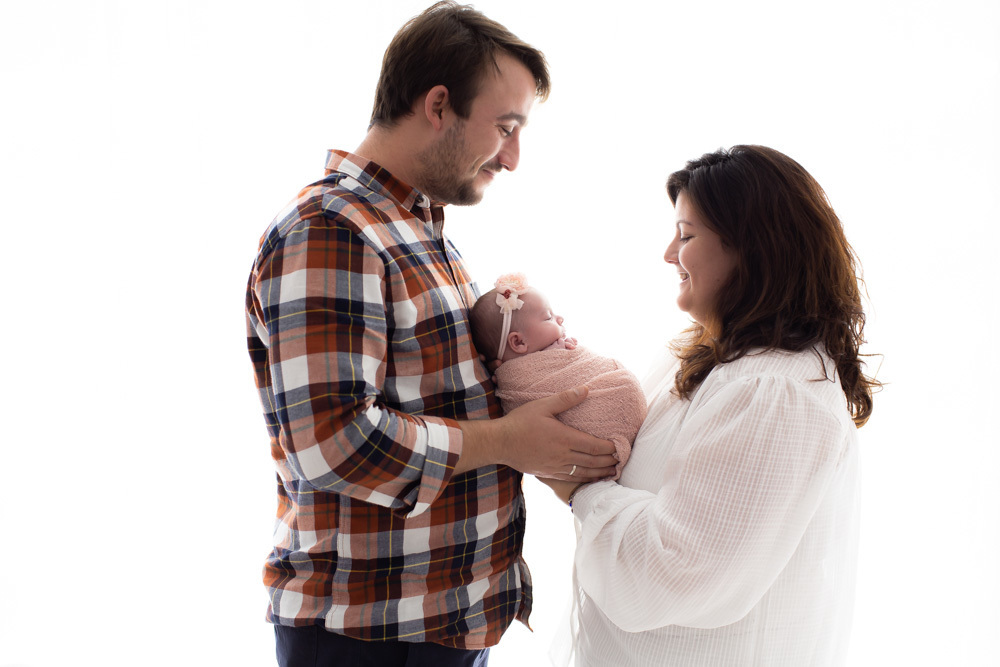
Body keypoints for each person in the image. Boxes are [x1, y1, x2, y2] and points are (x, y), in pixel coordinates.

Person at [244, 3, 618, 666]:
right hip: (369, 635)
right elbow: (332, 442)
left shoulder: (417, 229)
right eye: (505, 127)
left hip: (433, 624)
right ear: (439, 104)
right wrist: (508, 439)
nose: (513, 157)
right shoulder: (333, 228)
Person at [539, 145, 880, 666]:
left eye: (687, 234)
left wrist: (577, 488)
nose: (669, 253)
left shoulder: (775, 393)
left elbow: (668, 573)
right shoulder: (704, 358)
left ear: (752, 246)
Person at [469, 273, 645, 479]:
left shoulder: (546, 355)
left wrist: (569, 353)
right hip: (598, 431)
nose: (560, 318)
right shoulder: (518, 378)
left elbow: (579, 369)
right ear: (518, 343)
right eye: (548, 317)